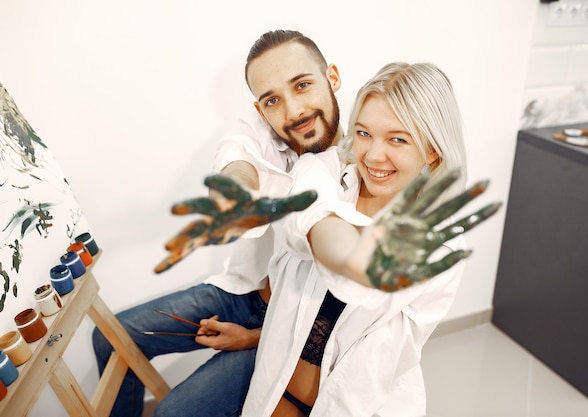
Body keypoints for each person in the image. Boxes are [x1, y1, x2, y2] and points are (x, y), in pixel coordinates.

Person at [92, 29, 345, 417]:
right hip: (242, 294)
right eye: (273, 100)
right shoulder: (262, 127)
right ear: (260, 109)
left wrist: (252, 339)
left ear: (333, 78)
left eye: (303, 85)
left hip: (292, 326)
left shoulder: (367, 167)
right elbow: (236, 157)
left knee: (172, 413)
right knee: (109, 337)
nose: (293, 111)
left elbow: (339, 319)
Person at [233, 62, 501, 416]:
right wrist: (253, 336)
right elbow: (305, 228)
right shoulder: (325, 172)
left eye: (397, 139)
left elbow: (380, 360)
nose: (373, 156)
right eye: (363, 133)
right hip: (277, 392)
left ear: (433, 150)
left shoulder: (441, 245)